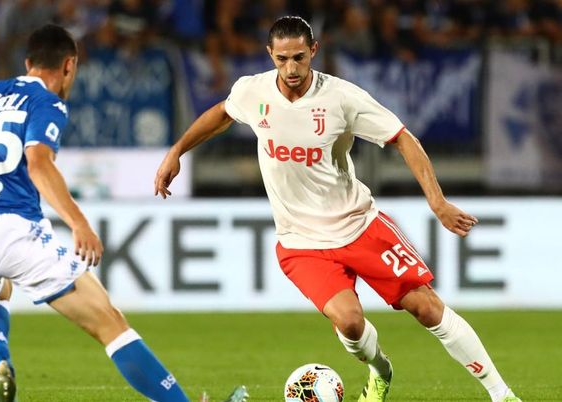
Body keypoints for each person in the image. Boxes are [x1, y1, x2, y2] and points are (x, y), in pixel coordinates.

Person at [0, 24, 248, 402]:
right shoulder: (48, 103)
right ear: (69, 65)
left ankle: (0, 362)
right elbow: (39, 164)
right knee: (109, 322)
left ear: (28, 63)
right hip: (10, 230)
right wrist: (79, 223)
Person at [154, 16, 522, 402]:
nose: (291, 68)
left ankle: (502, 395)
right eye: (282, 59)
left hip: (358, 225)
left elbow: (403, 138)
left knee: (427, 308)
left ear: (314, 51)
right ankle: (380, 370)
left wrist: (438, 202)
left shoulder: (341, 98)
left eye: (299, 57)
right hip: (301, 242)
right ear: (270, 54)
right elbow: (222, 113)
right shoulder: (253, 91)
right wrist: (177, 151)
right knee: (349, 323)